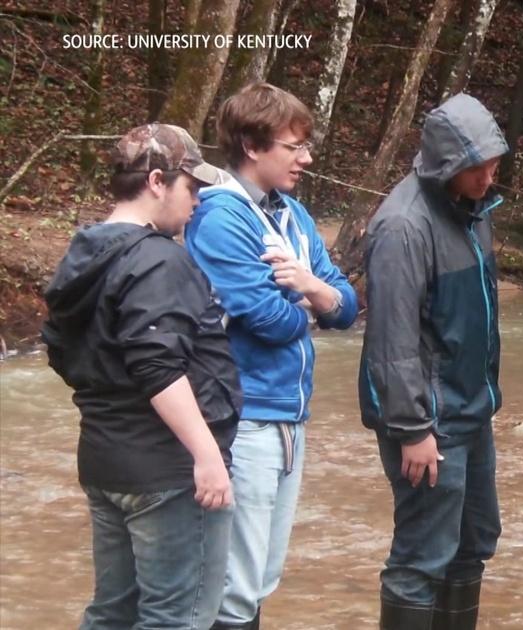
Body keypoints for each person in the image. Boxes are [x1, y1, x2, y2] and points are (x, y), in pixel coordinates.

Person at [42, 123, 241, 629]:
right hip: (168, 473)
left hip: (106, 461)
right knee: (178, 617)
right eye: (192, 188)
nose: (197, 202)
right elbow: (157, 366)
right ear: (157, 181)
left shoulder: (83, 255)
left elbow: (62, 353)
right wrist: (207, 455)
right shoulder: (158, 260)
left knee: (113, 613)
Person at [184, 83, 358, 629]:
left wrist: (308, 285)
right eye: (293, 147)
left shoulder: (295, 216)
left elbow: (347, 304)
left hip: (289, 413)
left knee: (262, 576)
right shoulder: (219, 219)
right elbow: (270, 320)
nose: (305, 159)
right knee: (232, 584)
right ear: (253, 146)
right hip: (244, 415)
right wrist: (309, 302)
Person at [358, 93, 508, 630]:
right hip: (427, 421)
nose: (489, 176)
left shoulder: (472, 210)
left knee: (473, 542)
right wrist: (413, 428)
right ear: (447, 164)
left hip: (470, 411)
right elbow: (391, 341)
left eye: (494, 163)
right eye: (478, 167)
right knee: (422, 558)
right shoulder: (403, 227)